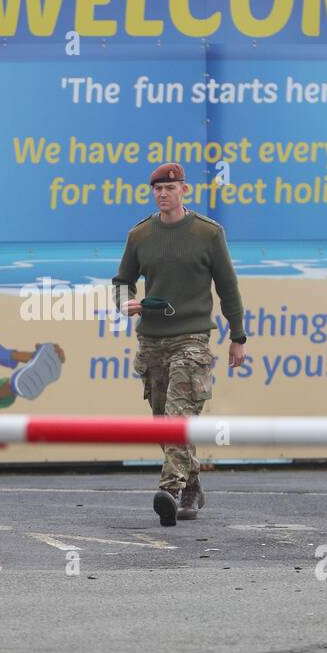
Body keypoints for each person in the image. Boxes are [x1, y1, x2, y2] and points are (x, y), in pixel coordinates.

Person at [112, 163, 247, 525]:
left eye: (169, 188)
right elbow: (122, 281)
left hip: (193, 338)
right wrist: (126, 303)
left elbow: (228, 287)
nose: (162, 194)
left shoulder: (207, 233)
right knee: (163, 421)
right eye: (157, 188)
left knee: (178, 415)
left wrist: (238, 336)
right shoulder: (140, 235)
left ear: (184, 191)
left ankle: (169, 489)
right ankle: (193, 483)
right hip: (152, 340)